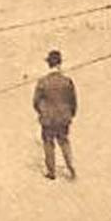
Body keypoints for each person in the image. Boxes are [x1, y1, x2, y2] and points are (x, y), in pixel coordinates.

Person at [32, 49, 78, 181]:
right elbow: (73, 100)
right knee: (64, 141)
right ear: (60, 64)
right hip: (63, 117)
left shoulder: (42, 82)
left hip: (48, 119)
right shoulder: (67, 81)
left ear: (48, 64)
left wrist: (42, 113)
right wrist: (70, 114)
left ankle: (51, 172)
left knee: (48, 143)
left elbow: (35, 101)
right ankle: (71, 168)